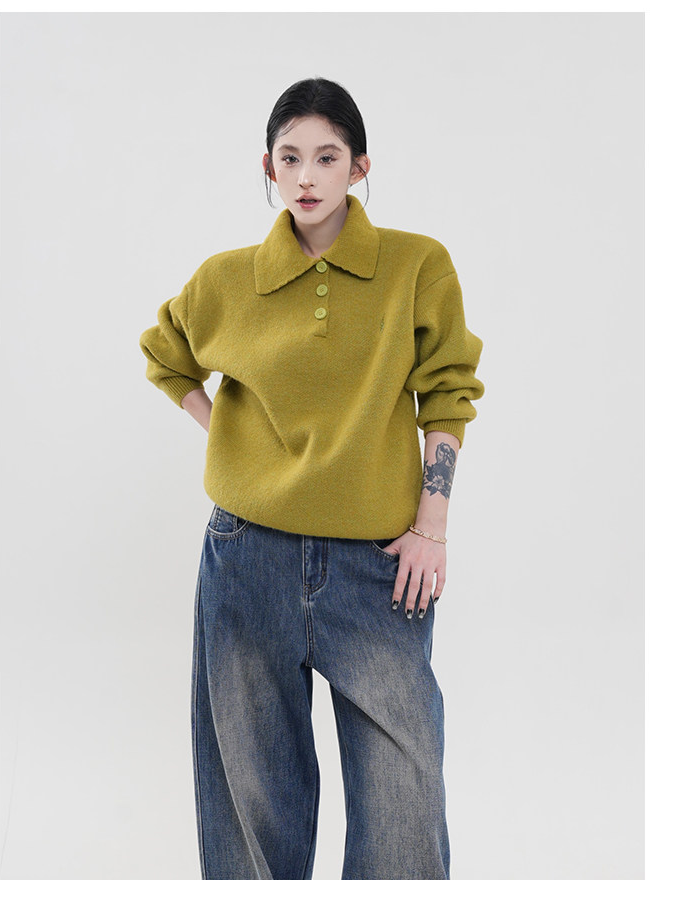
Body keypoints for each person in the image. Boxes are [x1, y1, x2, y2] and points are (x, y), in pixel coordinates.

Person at [139, 76, 485, 880]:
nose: (306, 176)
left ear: (359, 167)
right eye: (289, 157)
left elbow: (448, 393)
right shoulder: (226, 279)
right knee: (252, 809)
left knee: (404, 805)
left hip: (380, 567)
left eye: (327, 157)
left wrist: (432, 526)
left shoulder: (416, 266)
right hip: (246, 557)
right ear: (268, 166)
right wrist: (227, 432)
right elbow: (166, 356)